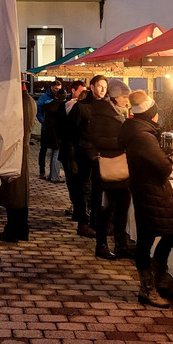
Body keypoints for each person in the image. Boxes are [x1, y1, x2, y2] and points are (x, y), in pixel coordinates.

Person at [121, 90, 173, 308]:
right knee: (151, 239)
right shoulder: (143, 136)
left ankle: (157, 280)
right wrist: (167, 157)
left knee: (168, 234)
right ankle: (149, 286)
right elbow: (164, 167)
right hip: (151, 191)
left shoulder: (140, 131)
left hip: (147, 190)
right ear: (150, 114)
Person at [89, 78, 133, 260]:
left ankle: (121, 244)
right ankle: (101, 244)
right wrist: (122, 142)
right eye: (124, 96)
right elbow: (97, 139)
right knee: (107, 208)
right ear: (115, 97)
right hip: (107, 166)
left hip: (121, 166)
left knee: (123, 205)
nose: (126, 100)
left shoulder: (120, 113)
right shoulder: (101, 113)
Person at [67, 75, 111, 239]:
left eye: (105, 87)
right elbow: (71, 130)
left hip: (101, 155)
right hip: (84, 154)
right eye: (100, 86)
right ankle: (83, 223)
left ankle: (95, 222)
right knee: (84, 189)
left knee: (97, 190)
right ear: (91, 87)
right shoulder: (81, 107)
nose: (102, 90)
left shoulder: (107, 106)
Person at [0, 83, 36, 242]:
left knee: (15, 194)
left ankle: (15, 229)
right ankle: (19, 228)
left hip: (16, 151)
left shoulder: (20, 101)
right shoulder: (27, 100)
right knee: (18, 194)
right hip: (19, 150)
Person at [58, 80, 87, 217]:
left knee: (77, 180)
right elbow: (58, 127)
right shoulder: (65, 106)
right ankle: (76, 204)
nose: (83, 94)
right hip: (69, 149)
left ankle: (78, 205)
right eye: (80, 91)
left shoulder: (85, 108)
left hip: (77, 150)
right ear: (73, 91)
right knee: (72, 179)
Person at [37, 80, 64, 182]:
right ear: (52, 87)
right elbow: (38, 111)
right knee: (43, 149)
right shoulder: (44, 97)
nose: (57, 91)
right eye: (55, 88)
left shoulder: (60, 97)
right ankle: (42, 171)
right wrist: (44, 122)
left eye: (59, 89)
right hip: (46, 128)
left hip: (55, 129)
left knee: (54, 150)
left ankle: (53, 172)